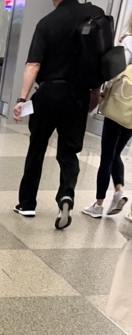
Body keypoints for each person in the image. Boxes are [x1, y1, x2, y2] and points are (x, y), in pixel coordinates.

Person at [13, 0, 103, 230]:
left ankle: (27, 203)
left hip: (49, 93)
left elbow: (33, 64)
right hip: (79, 95)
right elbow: (97, 60)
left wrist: (22, 100)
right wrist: (95, 92)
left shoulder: (47, 22)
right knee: (69, 151)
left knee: (37, 148)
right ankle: (66, 197)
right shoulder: (94, 16)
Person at [83, 18, 132, 218]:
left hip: (119, 104)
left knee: (107, 155)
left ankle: (99, 204)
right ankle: (118, 191)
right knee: (116, 153)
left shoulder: (129, 41)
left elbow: (116, 71)